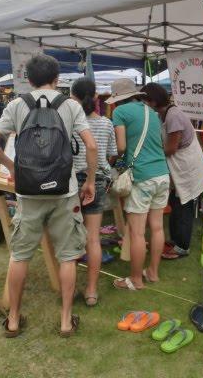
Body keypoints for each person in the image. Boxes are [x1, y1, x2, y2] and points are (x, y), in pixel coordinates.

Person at [0, 54, 98, 338]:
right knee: (68, 256)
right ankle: (65, 321)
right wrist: (90, 181)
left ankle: (13, 319)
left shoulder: (17, 104)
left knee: (20, 255)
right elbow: (91, 146)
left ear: (30, 79)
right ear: (57, 78)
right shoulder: (70, 105)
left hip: (29, 191)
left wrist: (13, 168)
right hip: (64, 191)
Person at [109, 79, 169, 290]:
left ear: (118, 99)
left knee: (137, 232)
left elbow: (121, 147)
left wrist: (113, 161)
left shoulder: (119, 112)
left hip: (142, 176)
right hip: (162, 174)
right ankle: (152, 272)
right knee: (157, 227)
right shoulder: (151, 112)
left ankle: (135, 279)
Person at [140, 83, 203, 259]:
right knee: (176, 203)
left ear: (153, 101)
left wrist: (151, 155)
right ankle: (175, 240)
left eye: (145, 100)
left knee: (184, 206)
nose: (143, 104)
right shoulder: (163, 114)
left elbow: (171, 148)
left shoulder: (173, 116)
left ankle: (182, 246)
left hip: (187, 167)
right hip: (180, 167)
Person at [70, 77, 118, 306]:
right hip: (97, 179)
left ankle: (68, 288)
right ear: (96, 97)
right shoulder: (107, 123)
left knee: (70, 237)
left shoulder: (70, 122)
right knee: (93, 238)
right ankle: (91, 291)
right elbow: (112, 153)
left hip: (72, 181)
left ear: (73, 98)